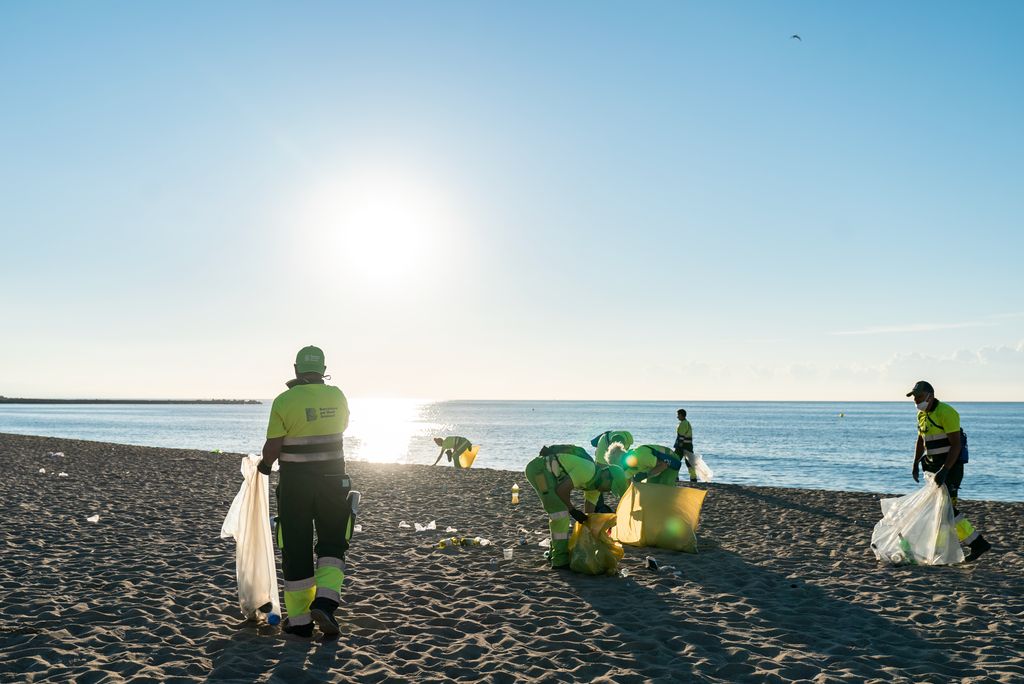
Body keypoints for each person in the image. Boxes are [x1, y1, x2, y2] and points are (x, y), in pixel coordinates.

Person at [257, 346, 354, 637]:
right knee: (333, 544)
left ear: (296, 369)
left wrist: (263, 466)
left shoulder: (284, 400)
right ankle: (325, 602)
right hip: (334, 482)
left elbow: (273, 447)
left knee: (295, 547)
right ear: (323, 370)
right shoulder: (337, 395)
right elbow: (343, 426)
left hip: (296, 486)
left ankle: (299, 623)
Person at [907, 380, 991, 562]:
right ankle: (939, 549)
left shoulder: (946, 412)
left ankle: (977, 543)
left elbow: (956, 445)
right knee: (940, 510)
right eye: (914, 397)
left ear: (930, 396)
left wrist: (945, 470)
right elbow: (921, 441)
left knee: (947, 510)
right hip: (932, 469)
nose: (916, 400)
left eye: (919, 396)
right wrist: (915, 463)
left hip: (950, 469)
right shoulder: (921, 416)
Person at [523, 445, 628, 569]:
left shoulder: (595, 488)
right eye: (610, 486)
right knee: (560, 514)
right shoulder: (587, 470)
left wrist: (595, 532)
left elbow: (589, 514)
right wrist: (572, 510)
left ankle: (555, 552)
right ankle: (559, 560)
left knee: (560, 514)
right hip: (539, 470)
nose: (607, 490)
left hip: (551, 475)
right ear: (606, 475)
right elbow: (561, 490)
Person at [612, 444, 681, 485]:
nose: (620, 467)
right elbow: (630, 484)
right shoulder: (626, 469)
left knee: (666, 488)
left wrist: (646, 475)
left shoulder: (640, 455)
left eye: (619, 464)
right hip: (653, 465)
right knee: (650, 487)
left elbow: (663, 465)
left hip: (670, 461)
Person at [674, 409, 698, 483]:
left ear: (681, 415)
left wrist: (679, 446)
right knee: (689, 462)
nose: (677, 417)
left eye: (678, 415)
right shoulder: (687, 423)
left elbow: (681, 436)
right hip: (688, 445)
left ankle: (675, 476)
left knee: (675, 460)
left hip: (682, 446)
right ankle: (693, 478)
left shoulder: (683, 424)